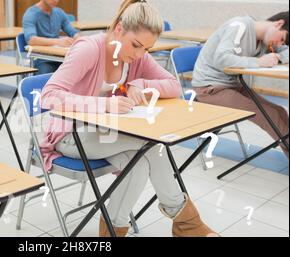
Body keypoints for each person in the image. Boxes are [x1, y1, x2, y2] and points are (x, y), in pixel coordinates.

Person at [39, 0, 218, 237]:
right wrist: (105, 105)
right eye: (136, 46)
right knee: (153, 146)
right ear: (119, 29)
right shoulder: (89, 49)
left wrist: (140, 83)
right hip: (71, 134)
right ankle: (188, 226)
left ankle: (112, 235)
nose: (140, 55)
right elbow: (48, 96)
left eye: (146, 48)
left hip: (109, 134)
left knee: (139, 164)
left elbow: (174, 85)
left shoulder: (137, 54)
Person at [192, 11, 289, 156]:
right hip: (210, 89)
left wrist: (278, 56)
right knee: (271, 115)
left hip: (232, 86)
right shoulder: (239, 26)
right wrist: (258, 62)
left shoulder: (264, 40)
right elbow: (221, 58)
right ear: (279, 23)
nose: (279, 44)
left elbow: (286, 51)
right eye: (281, 38)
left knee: (280, 111)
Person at [23, 0, 80, 74]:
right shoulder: (31, 13)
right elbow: (31, 40)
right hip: (41, 58)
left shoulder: (59, 12)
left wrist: (78, 39)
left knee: (78, 70)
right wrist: (58, 42)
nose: (56, 1)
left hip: (60, 57)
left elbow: (73, 32)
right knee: (45, 77)